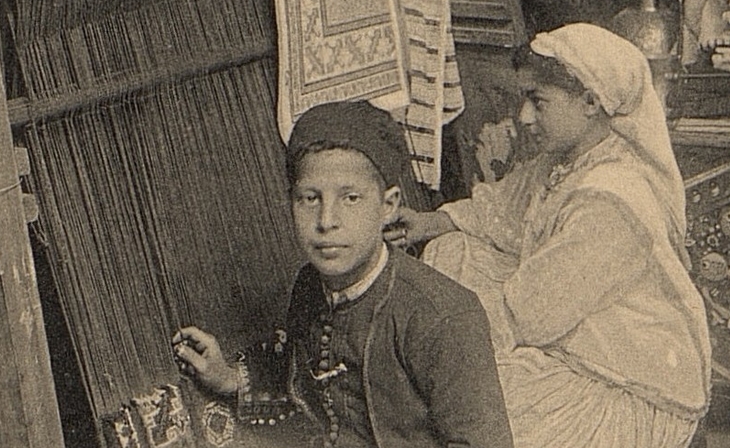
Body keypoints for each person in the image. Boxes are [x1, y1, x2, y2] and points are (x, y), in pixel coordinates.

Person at [387, 23, 712, 448]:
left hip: (625, 384)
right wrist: (432, 222)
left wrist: (429, 334)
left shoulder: (610, 199)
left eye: (538, 101)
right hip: (567, 325)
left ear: (591, 101)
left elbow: (528, 314)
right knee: (453, 250)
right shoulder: (566, 159)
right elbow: (500, 213)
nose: (524, 117)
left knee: (461, 401)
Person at [173, 100, 513, 448]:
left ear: (388, 206)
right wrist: (230, 379)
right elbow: (308, 386)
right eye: (310, 198)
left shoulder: (444, 318)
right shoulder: (309, 287)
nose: (326, 221)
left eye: (350, 198)